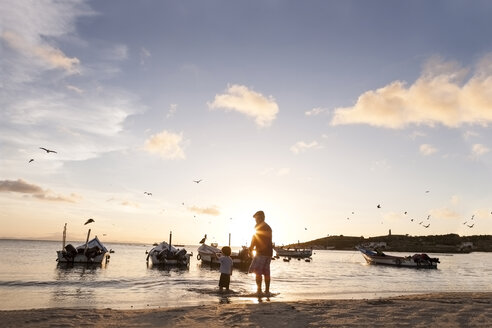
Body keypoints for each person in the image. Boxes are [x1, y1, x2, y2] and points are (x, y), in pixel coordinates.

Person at [248, 210, 273, 295]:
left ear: (261, 217)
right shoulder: (268, 227)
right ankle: (267, 291)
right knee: (266, 272)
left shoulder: (258, 226)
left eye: (256, 218)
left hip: (261, 253)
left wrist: (251, 248)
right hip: (269, 253)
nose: (255, 220)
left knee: (258, 272)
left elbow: (255, 237)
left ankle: (259, 290)